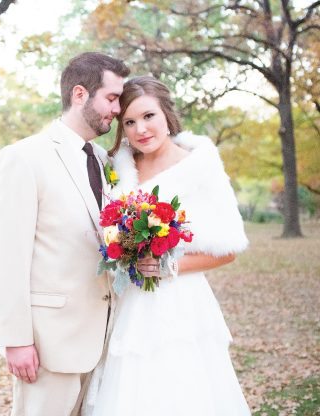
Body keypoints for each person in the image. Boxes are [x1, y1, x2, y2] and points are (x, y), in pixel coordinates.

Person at [82, 75, 251, 416]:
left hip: (180, 303)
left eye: (148, 116)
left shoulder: (200, 166)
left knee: (181, 392)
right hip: (129, 302)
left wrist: (169, 266)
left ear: (167, 116)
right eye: (129, 122)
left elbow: (228, 247)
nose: (140, 129)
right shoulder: (118, 167)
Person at [0, 52, 130, 416]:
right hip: (49, 343)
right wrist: (15, 340)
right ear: (80, 94)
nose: (117, 110)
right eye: (111, 98)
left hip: (103, 337)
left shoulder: (101, 160)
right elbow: (5, 256)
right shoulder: (24, 157)